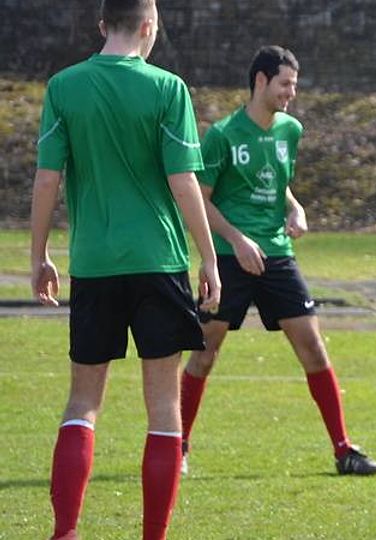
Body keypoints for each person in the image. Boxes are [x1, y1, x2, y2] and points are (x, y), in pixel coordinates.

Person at [31, 1, 221, 539]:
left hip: (94, 265)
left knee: (82, 402)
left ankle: (65, 531)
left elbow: (47, 179)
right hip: (159, 262)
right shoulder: (168, 89)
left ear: (101, 26)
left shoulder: (64, 87)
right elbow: (184, 182)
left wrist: (39, 255)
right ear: (148, 27)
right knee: (163, 408)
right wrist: (209, 258)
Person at [178, 45, 376, 477]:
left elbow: (279, 184)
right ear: (261, 81)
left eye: (294, 84)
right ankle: (177, 447)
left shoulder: (291, 130)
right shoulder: (223, 135)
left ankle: (344, 451)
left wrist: (296, 209)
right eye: (285, 84)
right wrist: (237, 240)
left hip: (277, 256)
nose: (292, 93)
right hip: (231, 258)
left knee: (313, 347)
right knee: (204, 353)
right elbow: (200, 201)